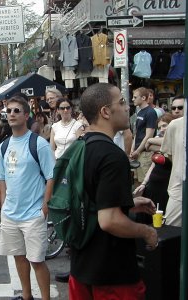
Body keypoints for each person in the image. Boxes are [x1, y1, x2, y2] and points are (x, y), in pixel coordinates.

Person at [69, 83, 158, 299]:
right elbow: (109, 220)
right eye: (122, 102)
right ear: (105, 112)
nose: (127, 108)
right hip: (113, 275)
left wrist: (128, 201)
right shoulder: (112, 156)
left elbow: (89, 200)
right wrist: (147, 232)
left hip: (80, 269)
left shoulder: (77, 149)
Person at [0, 96, 56, 300]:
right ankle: (27, 296)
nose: (11, 114)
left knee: (37, 260)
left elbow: (51, 176)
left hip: (33, 214)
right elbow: (1, 177)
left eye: (16, 111)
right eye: (9, 111)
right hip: (11, 214)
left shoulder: (38, 144)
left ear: (26, 115)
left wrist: (44, 207)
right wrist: (3, 203)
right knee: (19, 258)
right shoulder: (4, 146)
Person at [160, 110, 185, 227]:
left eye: (180, 107)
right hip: (179, 191)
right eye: (174, 107)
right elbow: (170, 154)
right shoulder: (176, 125)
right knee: (171, 231)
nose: (176, 110)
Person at [130, 87, 157, 184]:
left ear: (143, 98)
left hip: (145, 152)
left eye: (135, 97)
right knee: (137, 180)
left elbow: (149, 135)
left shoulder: (150, 112)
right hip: (137, 152)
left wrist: (138, 150)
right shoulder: (140, 111)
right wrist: (132, 149)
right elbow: (137, 132)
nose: (132, 99)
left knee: (144, 182)